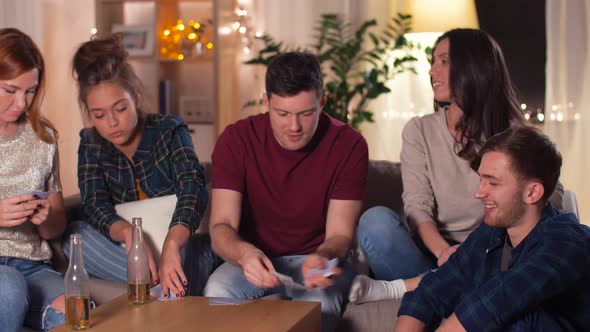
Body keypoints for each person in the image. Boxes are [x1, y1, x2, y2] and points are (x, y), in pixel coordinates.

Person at [349, 28, 563, 304]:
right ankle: (449, 289)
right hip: (431, 252)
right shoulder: (419, 130)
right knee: (375, 221)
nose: (431, 71)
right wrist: (443, 252)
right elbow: (417, 204)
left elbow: (549, 190)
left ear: (473, 66)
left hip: (490, 250)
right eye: (432, 62)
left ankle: (422, 292)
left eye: (443, 61)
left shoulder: (513, 133)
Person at [203, 52, 368, 332]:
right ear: (266, 102)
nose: (294, 126)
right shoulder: (235, 140)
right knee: (218, 288)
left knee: (317, 311)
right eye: (282, 114)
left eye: (306, 113)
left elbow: (339, 236)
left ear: (322, 102)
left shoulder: (349, 145)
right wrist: (244, 254)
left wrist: (323, 257)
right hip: (255, 259)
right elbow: (221, 226)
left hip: (316, 261)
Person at [394, 126, 590, 332]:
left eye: (493, 183)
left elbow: (497, 303)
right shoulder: (492, 232)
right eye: (481, 180)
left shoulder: (567, 243)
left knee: (519, 318)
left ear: (532, 193)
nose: (479, 193)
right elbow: (429, 293)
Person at [65, 34, 209, 299]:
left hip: (175, 240)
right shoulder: (90, 143)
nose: (111, 122)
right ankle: (160, 282)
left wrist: (172, 243)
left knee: (194, 248)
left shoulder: (170, 129)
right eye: (99, 115)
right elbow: (94, 204)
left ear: (136, 97)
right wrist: (129, 235)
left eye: (120, 109)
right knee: (74, 237)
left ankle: (163, 277)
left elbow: (193, 187)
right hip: (124, 248)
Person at [0, 28, 67, 331]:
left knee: (75, 308)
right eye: (10, 90)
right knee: (9, 288)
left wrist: (44, 217)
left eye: (30, 91)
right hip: (8, 280)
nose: (21, 104)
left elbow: (56, 229)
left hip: (33, 265)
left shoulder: (44, 138)